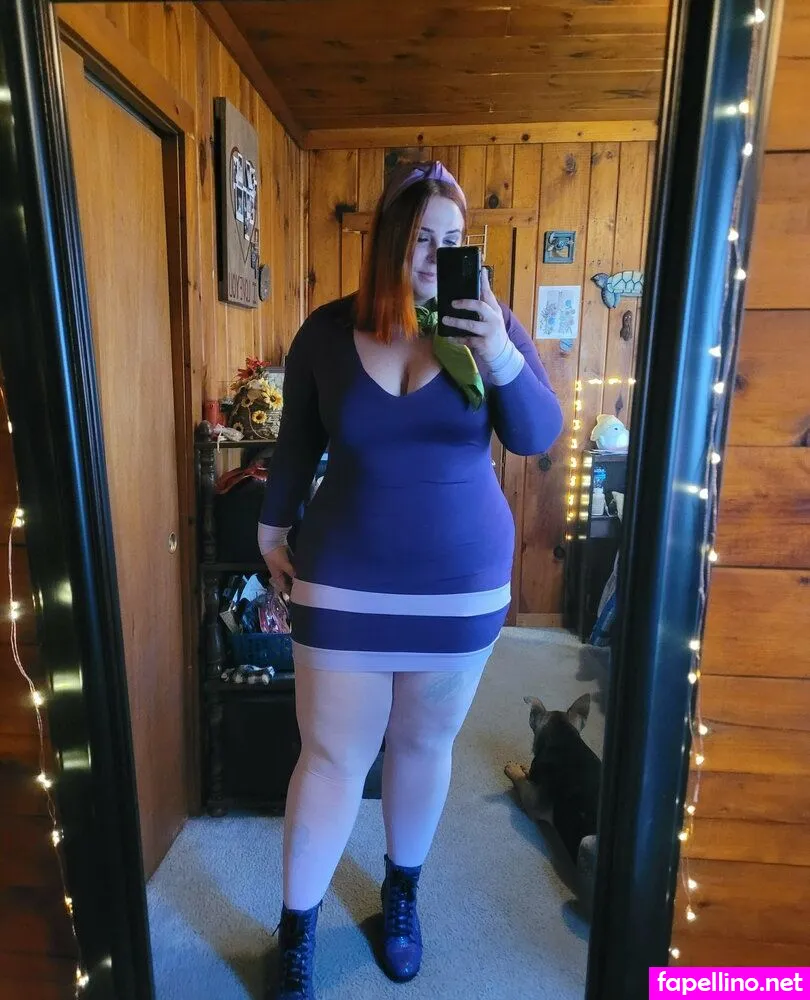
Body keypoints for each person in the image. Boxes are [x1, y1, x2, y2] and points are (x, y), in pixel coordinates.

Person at [258, 161, 563, 999]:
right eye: (422, 237)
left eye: (453, 239)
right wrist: (270, 527)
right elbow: (296, 442)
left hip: (460, 585)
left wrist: (498, 352)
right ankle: (296, 930)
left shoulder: (489, 324)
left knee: (425, 744)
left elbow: (536, 435)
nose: (436, 254)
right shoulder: (326, 332)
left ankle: (401, 896)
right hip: (342, 578)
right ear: (388, 240)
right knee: (330, 757)